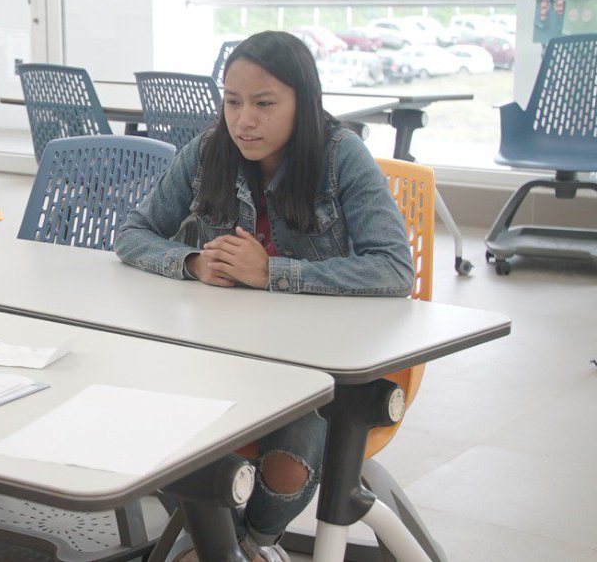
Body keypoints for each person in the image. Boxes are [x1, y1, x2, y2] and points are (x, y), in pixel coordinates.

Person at [113, 31, 413, 560]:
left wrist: (273, 272)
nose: (243, 121)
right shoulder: (208, 151)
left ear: (303, 102)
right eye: (232, 102)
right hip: (225, 353)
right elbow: (133, 233)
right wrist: (192, 262)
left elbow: (393, 269)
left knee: (291, 453)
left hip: (322, 364)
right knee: (145, 416)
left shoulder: (341, 155)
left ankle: (245, 543)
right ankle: (226, 544)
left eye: (264, 104)